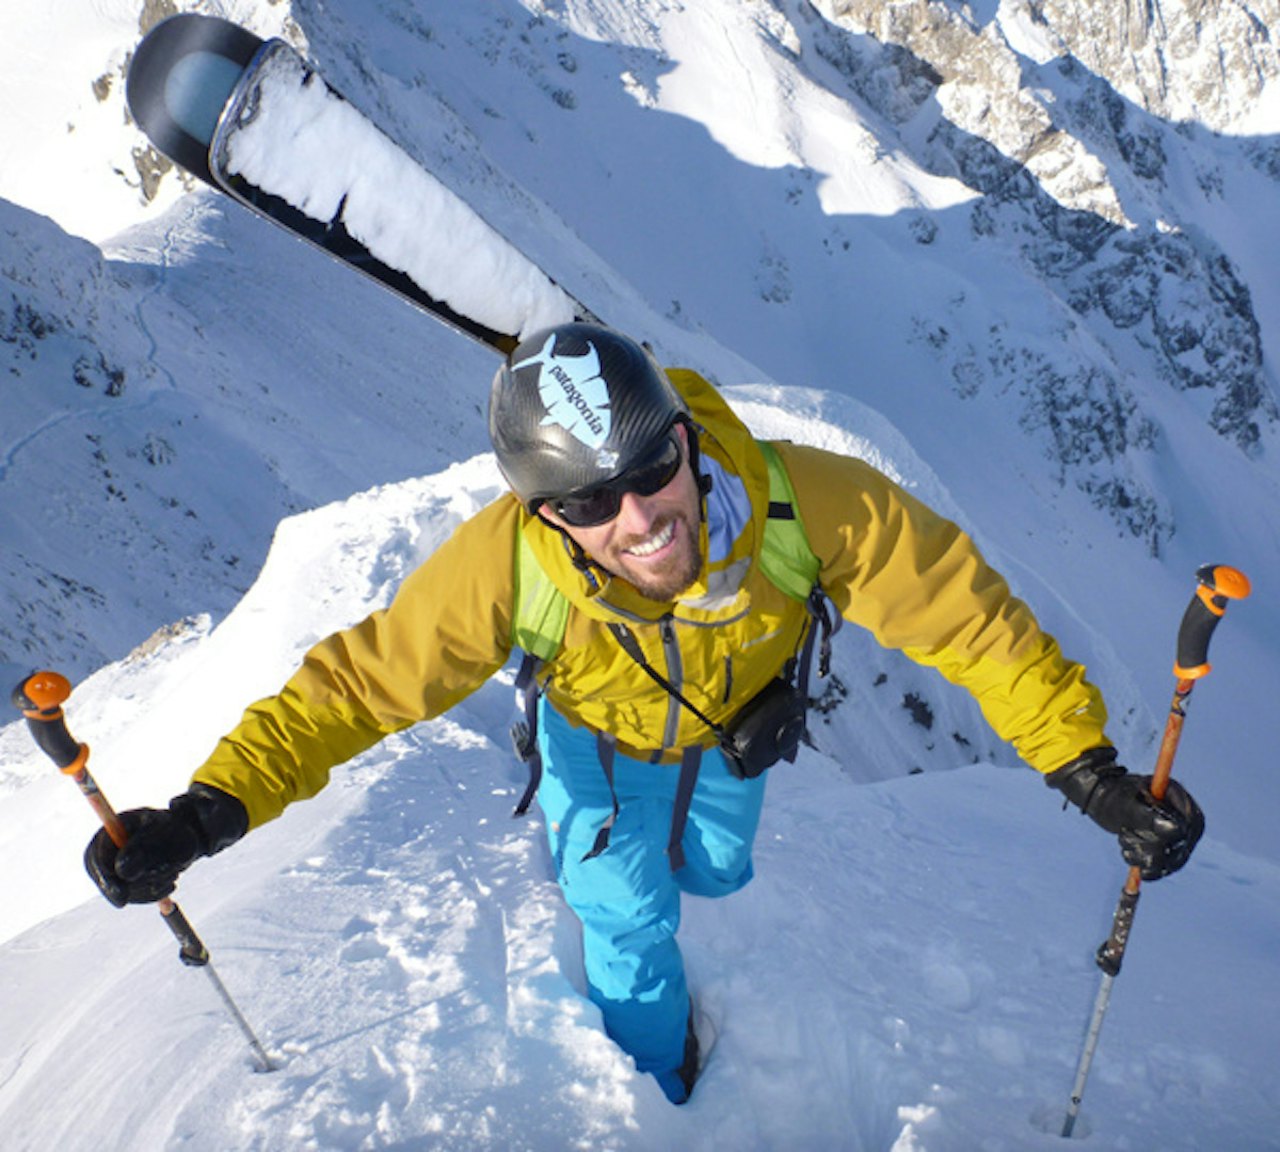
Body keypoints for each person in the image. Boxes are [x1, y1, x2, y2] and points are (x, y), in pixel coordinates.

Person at [85, 323, 1204, 1104]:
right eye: (586, 499)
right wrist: (209, 810)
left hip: (736, 730)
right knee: (626, 922)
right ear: (546, 514)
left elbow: (967, 621)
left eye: (650, 465)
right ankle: (660, 1080)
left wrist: (1086, 771)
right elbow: (363, 685)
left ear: (682, 436)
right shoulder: (505, 569)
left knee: (714, 873)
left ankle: (663, 906)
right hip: (597, 738)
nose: (639, 515)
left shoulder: (805, 506)